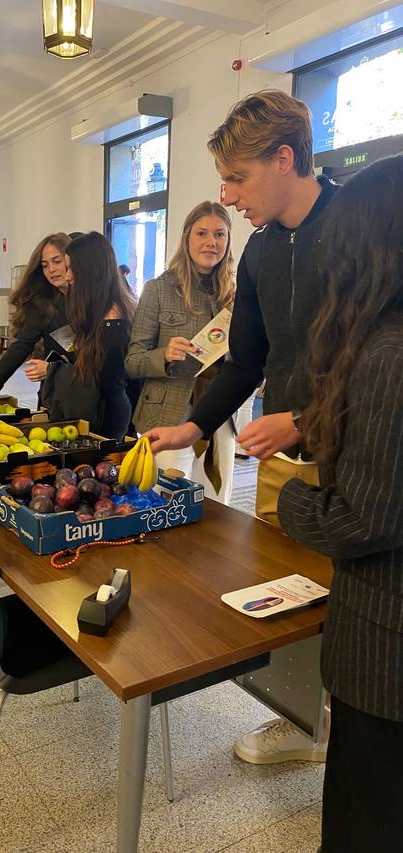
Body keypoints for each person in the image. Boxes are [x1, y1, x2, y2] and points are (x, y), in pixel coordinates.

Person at [146, 89, 338, 763]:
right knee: (290, 587)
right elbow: (247, 359)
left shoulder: (358, 228)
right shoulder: (259, 253)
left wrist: (307, 418)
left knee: (349, 595)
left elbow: (383, 367)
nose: (226, 197)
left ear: (285, 158)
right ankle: (299, 716)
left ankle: (346, 717)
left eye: (238, 178)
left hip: (361, 453)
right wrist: (193, 428)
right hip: (287, 450)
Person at [277, 154, 403, 852]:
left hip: (385, 654)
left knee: (366, 820)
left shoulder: (388, 354)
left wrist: (294, 499)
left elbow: (366, 517)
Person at [125, 201, 237, 503]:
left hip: (220, 415)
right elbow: (133, 361)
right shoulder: (158, 289)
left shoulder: (236, 293)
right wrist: (163, 355)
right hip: (167, 414)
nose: (211, 242)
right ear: (186, 237)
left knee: (217, 503)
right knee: (166, 501)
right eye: (202, 233)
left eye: (219, 234)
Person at [42, 231, 136, 439]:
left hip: (106, 420)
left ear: (88, 271)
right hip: (101, 414)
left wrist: (54, 370)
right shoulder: (103, 309)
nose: (67, 276)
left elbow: (101, 380)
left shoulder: (112, 318)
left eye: (69, 267)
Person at [0, 233, 71, 402]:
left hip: (88, 396)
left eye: (57, 261)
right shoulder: (43, 302)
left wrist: (52, 369)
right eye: (44, 265)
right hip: (54, 394)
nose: (51, 269)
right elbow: (22, 345)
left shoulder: (93, 302)